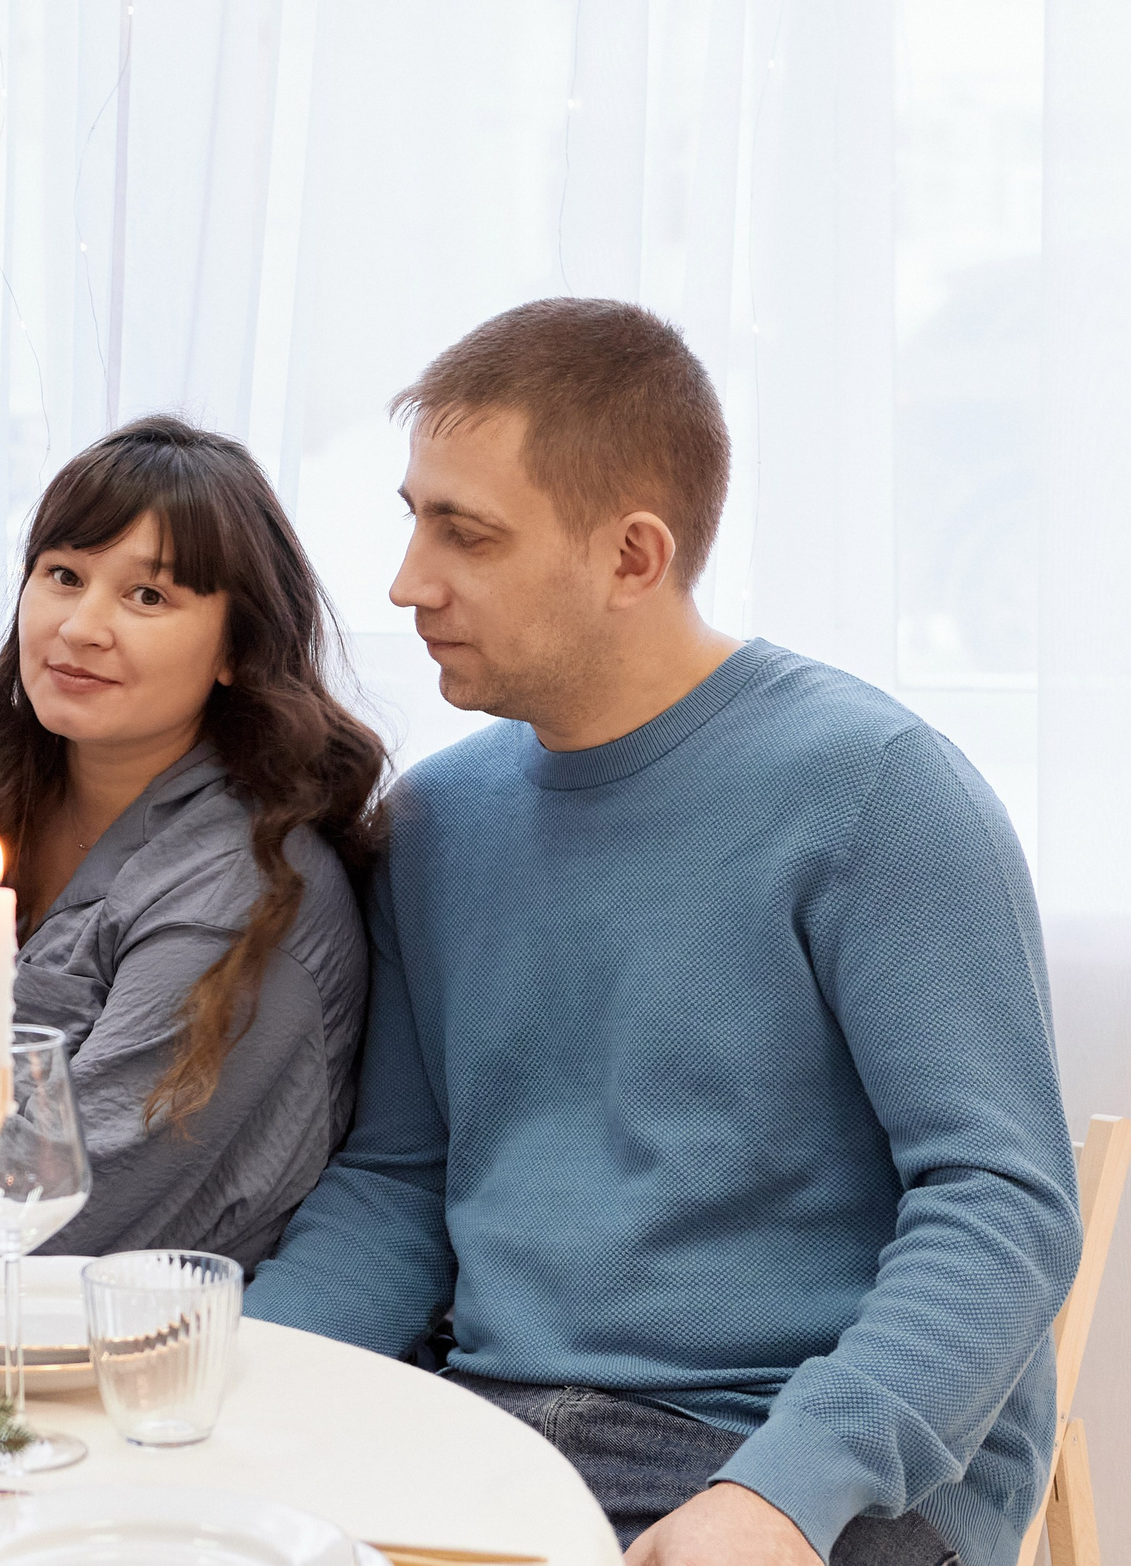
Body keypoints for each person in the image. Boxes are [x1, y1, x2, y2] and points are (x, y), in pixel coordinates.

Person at [243, 299, 1080, 1566]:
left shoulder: (877, 793)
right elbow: (398, 1187)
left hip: (792, 1458)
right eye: (411, 518)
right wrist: (244, 1386)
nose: (408, 582)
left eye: (464, 534)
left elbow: (1001, 1208)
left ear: (633, 556)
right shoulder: (434, 826)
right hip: (494, 1431)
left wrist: (787, 1490)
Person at [0, 417, 385, 1269]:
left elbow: (43, 1204)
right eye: (63, 574)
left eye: (148, 595)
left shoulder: (250, 889)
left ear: (237, 646)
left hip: (137, 1347)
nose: (80, 626)